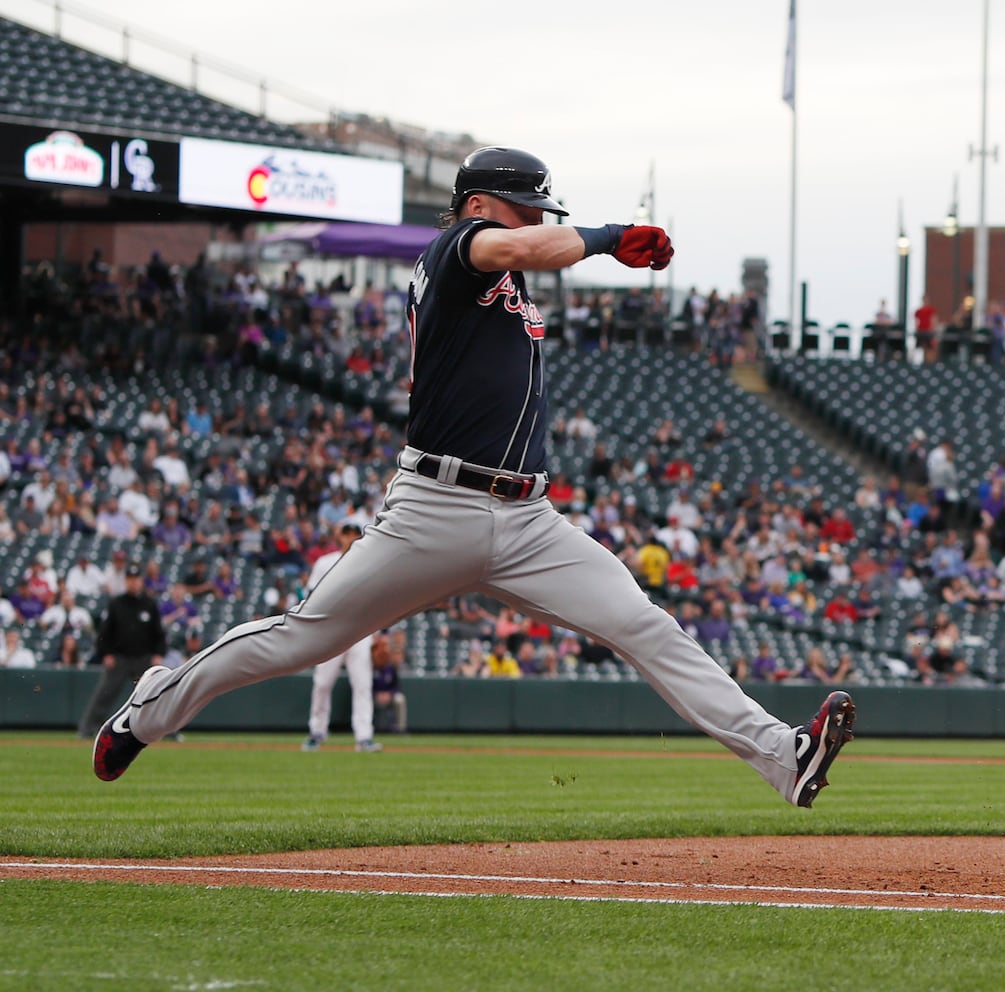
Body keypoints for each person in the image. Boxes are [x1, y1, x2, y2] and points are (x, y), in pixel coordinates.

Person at [92, 147, 855, 810]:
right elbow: (537, 250)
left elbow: (536, 256)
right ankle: (148, 710)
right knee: (300, 640)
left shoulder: (506, 267)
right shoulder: (457, 249)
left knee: (644, 624)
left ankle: (785, 758)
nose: (535, 221)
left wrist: (590, 240)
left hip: (528, 519)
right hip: (434, 508)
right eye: (525, 209)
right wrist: (606, 237)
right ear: (482, 205)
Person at [301, 519, 381, 753]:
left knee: (362, 684)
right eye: (347, 533)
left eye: (355, 533)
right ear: (340, 536)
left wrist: (377, 632)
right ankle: (316, 732)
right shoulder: (325, 562)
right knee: (322, 683)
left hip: (360, 630)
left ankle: (364, 737)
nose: (350, 537)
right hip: (330, 630)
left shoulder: (370, 563)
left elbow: (377, 601)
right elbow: (312, 595)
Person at [77, 566, 166, 739]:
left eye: (136, 578)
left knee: (154, 696)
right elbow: (105, 633)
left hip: (143, 658)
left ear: (141, 580)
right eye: (130, 579)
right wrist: (107, 654)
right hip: (120, 658)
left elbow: (159, 633)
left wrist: (158, 653)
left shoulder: (149, 603)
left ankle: (166, 730)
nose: (133, 582)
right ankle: (87, 728)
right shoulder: (117, 603)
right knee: (104, 694)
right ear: (126, 581)